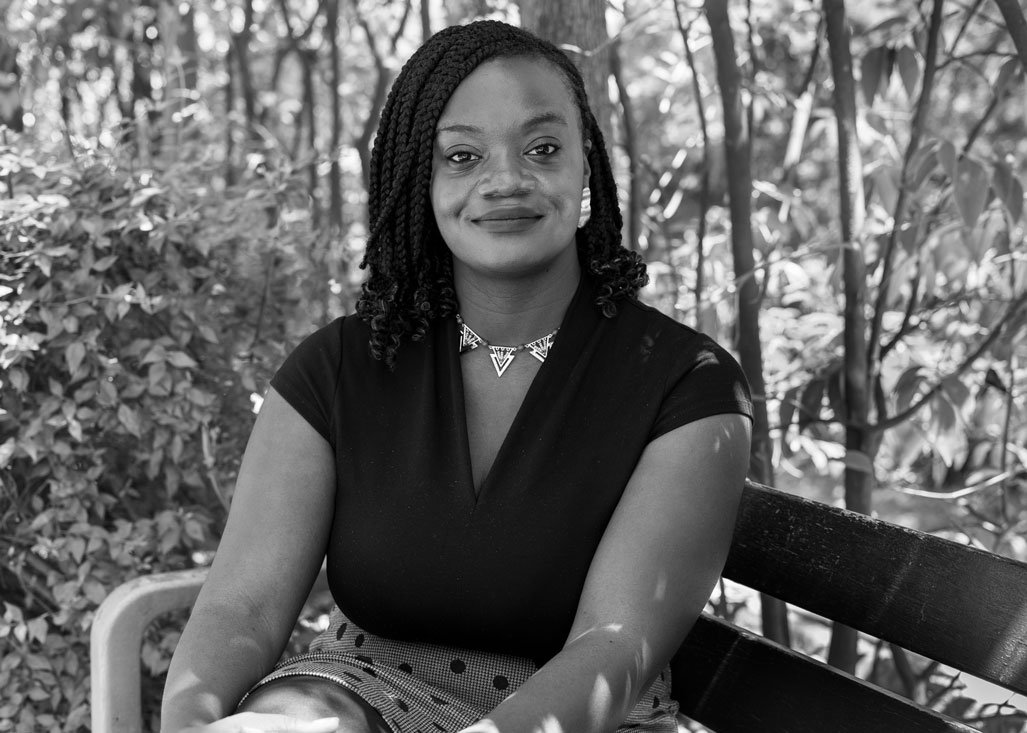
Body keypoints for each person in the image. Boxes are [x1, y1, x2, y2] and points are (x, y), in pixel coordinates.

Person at [160, 19, 753, 733]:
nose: (505, 180)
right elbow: (242, 608)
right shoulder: (339, 370)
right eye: (463, 156)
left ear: (586, 167)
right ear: (422, 180)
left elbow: (614, 645)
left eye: (542, 148)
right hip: (359, 692)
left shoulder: (685, 385)